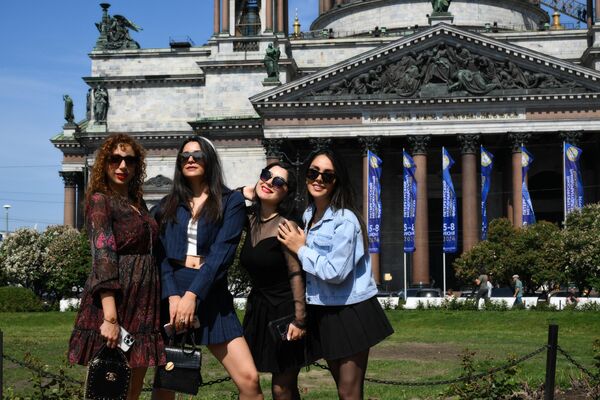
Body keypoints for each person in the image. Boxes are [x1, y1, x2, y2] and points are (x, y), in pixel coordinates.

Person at [277, 149, 394, 400]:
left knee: (348, 392)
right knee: (342, 389)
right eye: (313, 173)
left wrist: (301, 248)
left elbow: (335, 272)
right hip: (323, 310)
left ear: (337, 181)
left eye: (327, 176)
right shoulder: (309, 215)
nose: (318, 179)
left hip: (351, 310)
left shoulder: (346, 220)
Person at [153, 136, 263, 400]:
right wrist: (173, 296)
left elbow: (221, 255)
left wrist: (193, 295)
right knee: (167, 383)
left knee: (250, 381)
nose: (190, 159)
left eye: (198, 155)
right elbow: (160, 255)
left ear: (210, 160)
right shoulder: (165, 206)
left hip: (210, 291)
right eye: (185, 156)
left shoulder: (230, 202)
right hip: (173, 295)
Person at [68, 133, 165, 399]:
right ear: (104, 162)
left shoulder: (137, 203)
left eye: (130, 160)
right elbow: (103, 257)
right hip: (117, 301)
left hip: (143, 305)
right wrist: (110, 318)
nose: (123, 166)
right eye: (115, 159)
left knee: (130, 387)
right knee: (109, 385)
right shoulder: (101, 200)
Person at [239, 162, 313, 400]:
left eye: (278, 182)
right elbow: (217, 196)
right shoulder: (249, 219)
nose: (270, 182)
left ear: (286, 193)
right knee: (248, 379)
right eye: (266, 176)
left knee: (282, 388)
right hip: (258, 310)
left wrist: (300, 320)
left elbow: (296, 273)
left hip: (285, 312)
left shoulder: (286, 225)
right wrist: (244, 191)